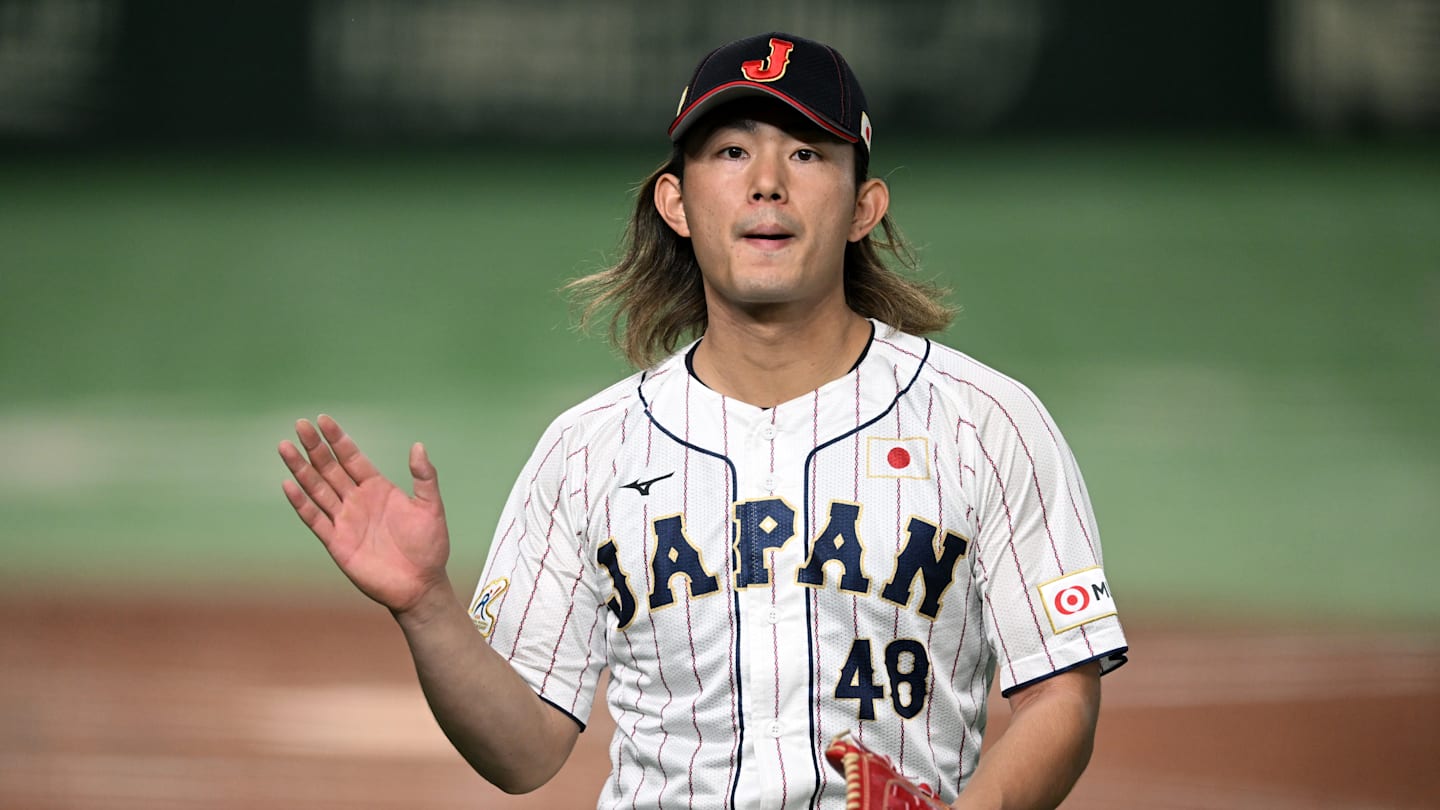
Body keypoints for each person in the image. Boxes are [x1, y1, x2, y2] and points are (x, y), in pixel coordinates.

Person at [278, 31, 1128, 810]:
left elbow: (1062, 694)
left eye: (806, 151)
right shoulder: (590, 451)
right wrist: (426, 606)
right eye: (731, 152)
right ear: (677, 203)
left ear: (864, 207)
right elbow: (524, 751)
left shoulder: (985, 424)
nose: (767, 181)